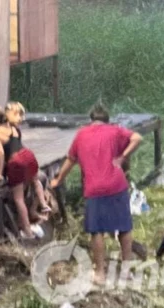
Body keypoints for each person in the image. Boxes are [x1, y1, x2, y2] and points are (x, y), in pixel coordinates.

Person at [50, 104, 144, 284]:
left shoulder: (81, 134)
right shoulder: (115, 130)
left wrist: (59, 180)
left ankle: (100, 274)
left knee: (97, 230)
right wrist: (123, 156)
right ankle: (126, 272)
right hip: (117, 184)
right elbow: (137, 138)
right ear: (107, 120)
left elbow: (71, 160)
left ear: (91, 120)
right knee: (124, 227)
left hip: (94, 188)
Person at [0, 103, 49, 240]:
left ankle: (27, 231)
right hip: (28, 155)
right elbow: (16, 145)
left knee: (18, 199)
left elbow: (0, 153)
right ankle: (40, 206)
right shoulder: (14, 128)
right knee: (36, 181)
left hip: (16, 162)